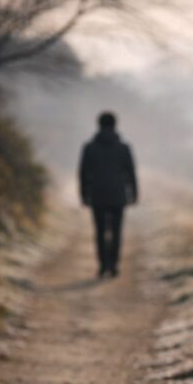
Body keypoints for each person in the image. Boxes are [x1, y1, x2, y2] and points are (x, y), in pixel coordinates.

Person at [79, 111, 138, 278]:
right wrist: (134, 194)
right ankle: (114, 265)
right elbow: (131, 173)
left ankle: (102, 265)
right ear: (115, 125)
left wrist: (84, 194)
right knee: (117, 231)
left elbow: (83, 173)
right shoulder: (124, 148)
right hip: (118, 195)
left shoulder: (89, 148)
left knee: (100, 231)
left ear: (99, 125)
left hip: (97, 194)